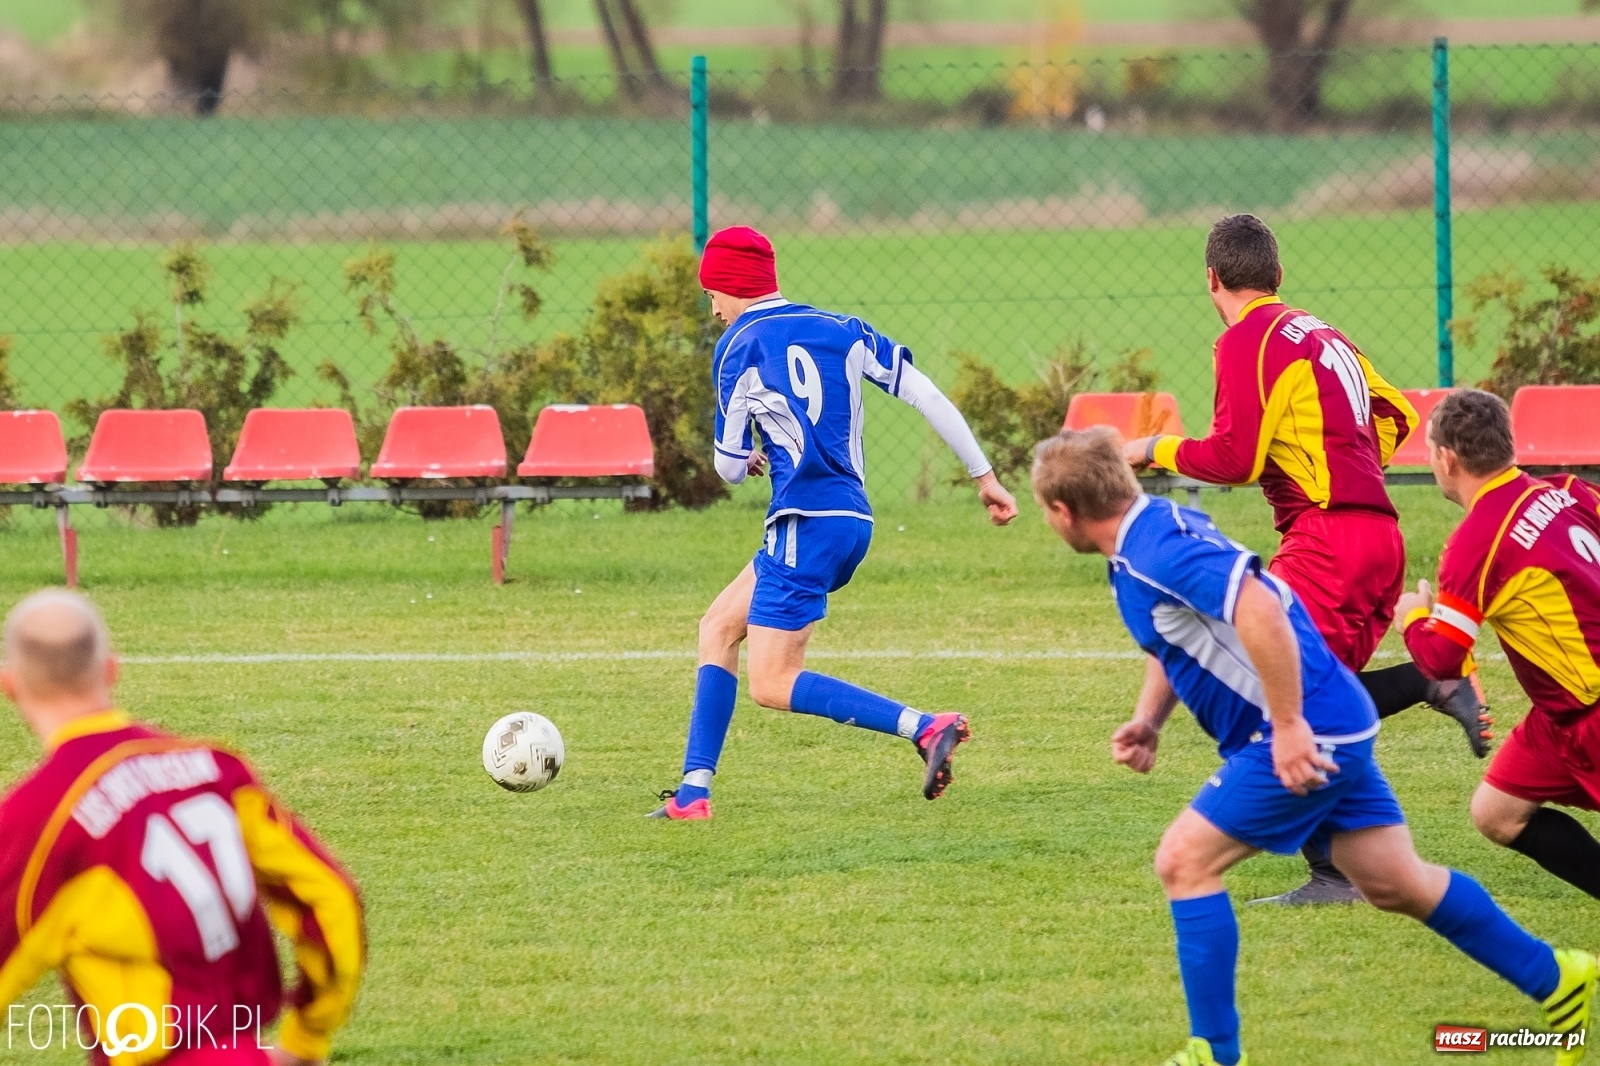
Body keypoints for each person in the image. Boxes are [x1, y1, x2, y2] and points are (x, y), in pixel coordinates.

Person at [1032, 427, 1595, 1066]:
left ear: (1062, 511)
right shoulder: (1150, 530)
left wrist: (1291, 725)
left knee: (1184, 862)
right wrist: (1149, 719)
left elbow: (1260, 608)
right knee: (1396, 883)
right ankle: (1556, 974)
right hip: (1332, 717)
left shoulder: (1154, 550)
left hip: (1306, 730)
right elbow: (1178, 636)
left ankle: (1213, 1052)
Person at [1123, 213, 1491, 905]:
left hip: (1327, 542)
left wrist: (1148, 450)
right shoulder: (1322, 332)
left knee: (1264, 684)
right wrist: (1350, 474)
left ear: (1211, 279)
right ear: (1279, 275)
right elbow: (1395, 414)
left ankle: (1335, 868)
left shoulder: (1245, 340)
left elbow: (1233, 459)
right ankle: (1427, 686)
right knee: (1316, 694)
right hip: (1376, 533)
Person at [649, 225, 1019, 820]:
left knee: (772, 681)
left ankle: (925, 727)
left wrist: (748, 457)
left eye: (712, 292)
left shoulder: (737, 345)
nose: (711, 306)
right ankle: (693, 793)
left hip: (801, 521)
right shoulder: (842, 329)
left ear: (729, 286)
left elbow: (727, 469)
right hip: (851, 518)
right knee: (718, 626)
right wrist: (985, 477)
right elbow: (924, 394)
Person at [0, 589, 365, 1066]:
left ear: (11, 685)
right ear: (111, 669)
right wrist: (306, 1038)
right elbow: (331, 896)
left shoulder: (37, 820)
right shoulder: (217, 769)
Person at [1398, 388, 1600, 902]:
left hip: (1591, 713)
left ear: (1446, 458)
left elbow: (1442, 658)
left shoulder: (1477, 541)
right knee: (1497, 813)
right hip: (1559, 716)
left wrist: (1413, 618)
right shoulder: (1570, 490)